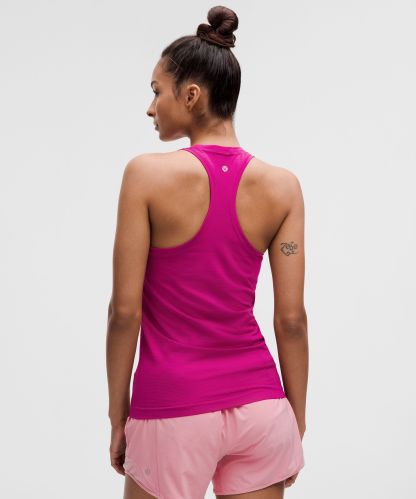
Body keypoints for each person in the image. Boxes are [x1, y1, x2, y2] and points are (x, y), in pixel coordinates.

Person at [107, 5, 308, 499]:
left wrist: (118, 415)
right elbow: (292, 321)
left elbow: (124, 313)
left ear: (191, 95)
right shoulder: (282, 187)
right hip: (262, 409)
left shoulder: (146, 176)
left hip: (172, 408)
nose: (151, 108)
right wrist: (295, 419)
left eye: (157, 91)